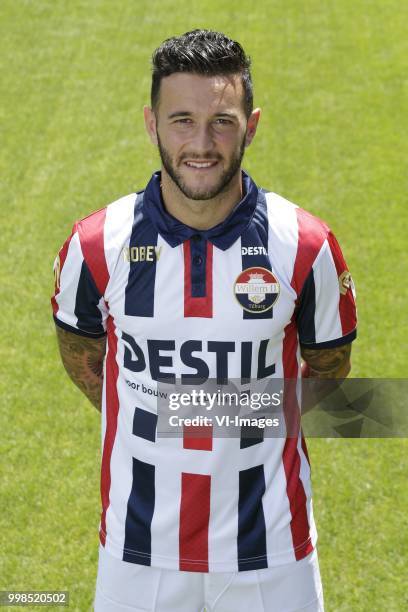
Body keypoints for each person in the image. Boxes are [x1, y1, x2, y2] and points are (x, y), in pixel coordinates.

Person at [51, 29, 356, 612]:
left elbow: (329, 369)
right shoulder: (96, 246)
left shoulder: (306, 247)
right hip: (136, 553)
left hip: (272, 552)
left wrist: (199, 410)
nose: (202, 143)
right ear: (151, 123)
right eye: (182, 120)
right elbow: (82, 356)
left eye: (222, 121)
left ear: (253, 124)